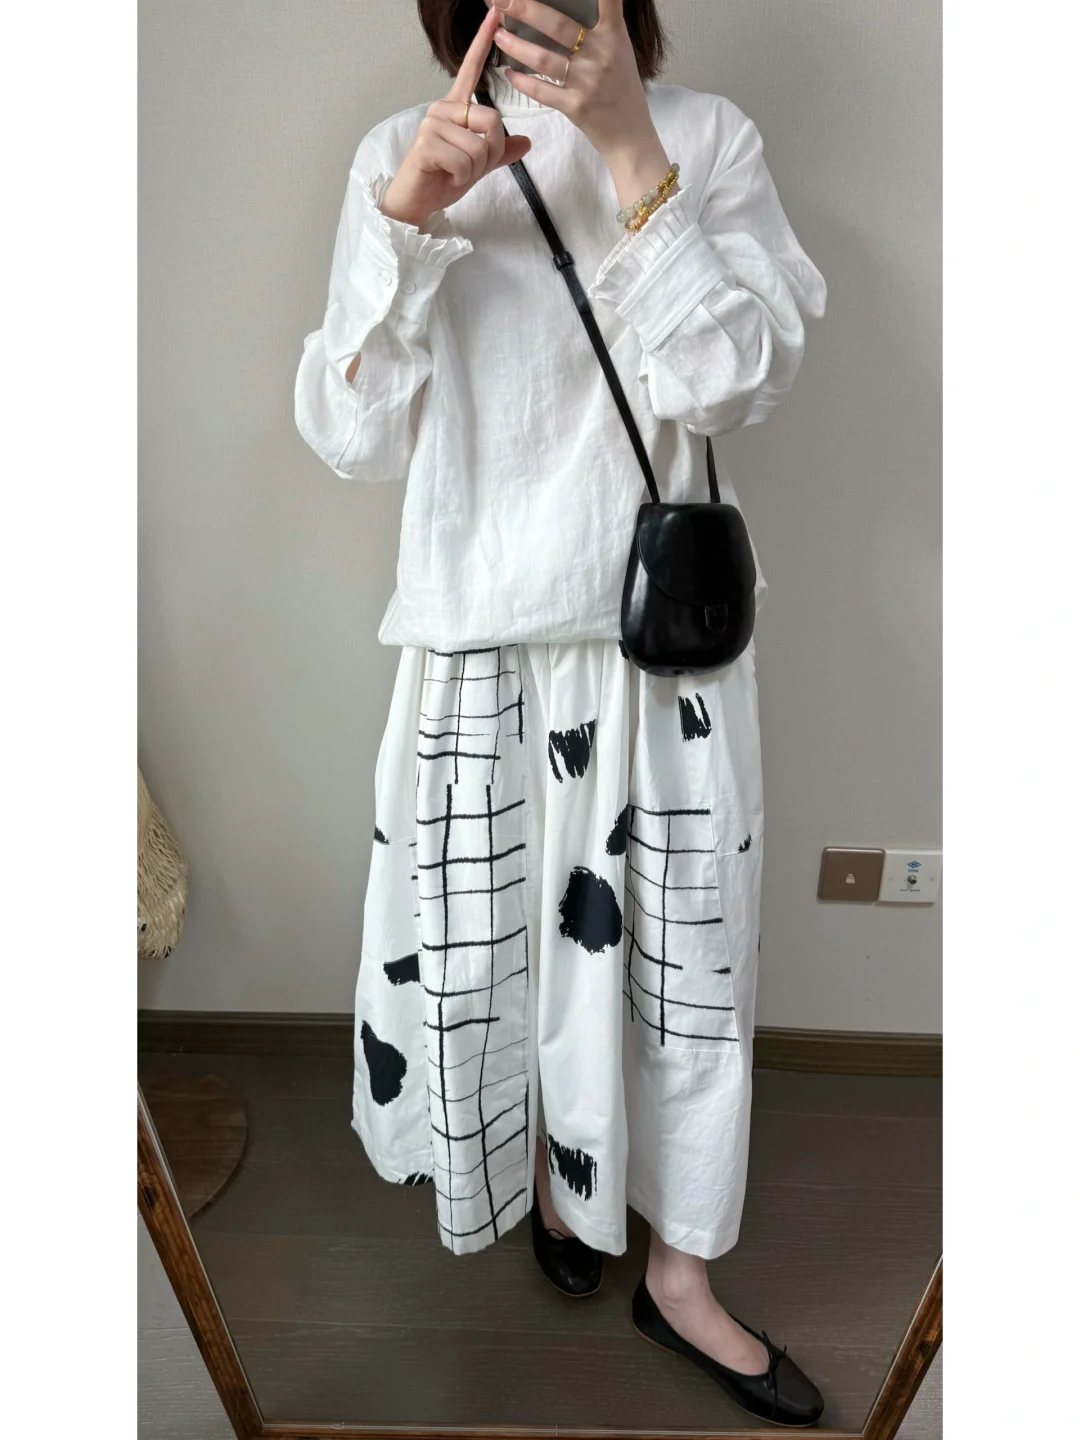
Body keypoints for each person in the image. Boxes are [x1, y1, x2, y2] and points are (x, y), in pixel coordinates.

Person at [295, 0, 827, 1426]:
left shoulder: (704, 137)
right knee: (496, 969)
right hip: (479, 638)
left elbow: (734, 379)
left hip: (661, 653)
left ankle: (681, 1275)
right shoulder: (403, 154)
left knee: (686, 975)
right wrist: (408, 215)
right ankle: (557, 1185)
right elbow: (350, 435)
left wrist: (631, 147)